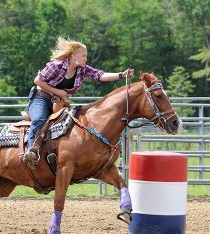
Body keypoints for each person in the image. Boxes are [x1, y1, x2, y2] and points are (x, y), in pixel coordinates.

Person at [23, 37, 134, 165]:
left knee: (72, 124)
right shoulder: (56, 66)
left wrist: (121, 75)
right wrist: (58, 92)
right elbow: (37, 80)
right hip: (41, 98)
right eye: (84, 56)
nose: (86, 59)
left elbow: (100, 75)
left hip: (59, 103)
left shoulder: (83, 69)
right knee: (39, 119)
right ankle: (32, 151)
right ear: (73, 56)